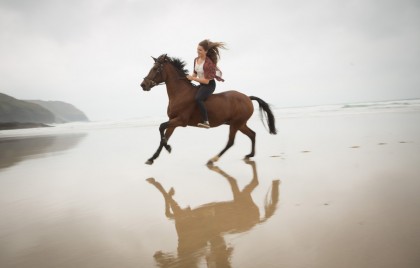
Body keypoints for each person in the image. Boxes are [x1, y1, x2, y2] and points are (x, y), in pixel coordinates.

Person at [187, 39, 226, 128]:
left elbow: (206, 81)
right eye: (197, 49)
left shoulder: (208, 63)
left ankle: (206, 121)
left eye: (200, 50)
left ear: (206, 51)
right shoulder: (196, 60)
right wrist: (188, 80)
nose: (198, 51)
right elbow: (195, 73)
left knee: (198, 98)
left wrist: (193, 78)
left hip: (209, 85)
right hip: (201, 84)